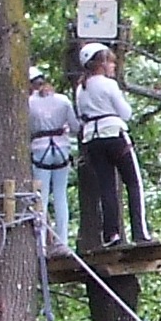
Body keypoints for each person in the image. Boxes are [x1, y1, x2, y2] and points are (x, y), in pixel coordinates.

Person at [75, 42, 153, 249]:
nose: (113, 66)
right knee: (134, 183)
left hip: (93, 139)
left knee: (107, 187)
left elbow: (80, 117)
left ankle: (111, 234)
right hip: (114, 134)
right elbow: (126, 113)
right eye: (110, 62)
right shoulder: (108, 84)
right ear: (100, 63)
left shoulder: (80, 89)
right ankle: (140, 232)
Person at [27, 65, 77, 250]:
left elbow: (27, 129)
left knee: (41, 197)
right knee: (60, 195)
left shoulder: (27, 103)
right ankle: (62, 241)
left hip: (40, 149)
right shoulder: (62, 100)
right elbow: (75, 125)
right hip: (62, 149)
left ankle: (40, 241)